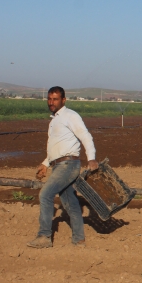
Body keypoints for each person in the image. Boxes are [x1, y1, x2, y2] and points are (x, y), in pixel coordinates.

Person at [27, 86, 98, 248]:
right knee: (70, 201)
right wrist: (45, 164)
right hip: (60, 164)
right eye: (49, 99)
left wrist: (91, 158)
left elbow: (86, 136)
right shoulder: (54, 120)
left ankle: (44, 237)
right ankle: (79, 239)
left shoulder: (70, 116)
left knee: (45, 195)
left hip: (68, 164)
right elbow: (57, 148)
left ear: (63, 100)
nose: (51, 102)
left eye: (55, 99)